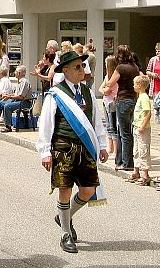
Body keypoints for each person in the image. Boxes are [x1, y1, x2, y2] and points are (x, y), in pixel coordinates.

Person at [36, 51, 108, 254]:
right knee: (65, 190)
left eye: (82, 66)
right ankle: (66, 234)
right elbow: (46, 124)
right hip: (63, 147)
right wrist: (44, 151)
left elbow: (95, 121)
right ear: (65, 71)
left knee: (88, 190)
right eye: (77, 67)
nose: (82, 70)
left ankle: (63, 216)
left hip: (85, 148)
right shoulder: (56, 94)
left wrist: (102, 145)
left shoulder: (87, 92)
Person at [102, 45, 140, 171]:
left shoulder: (120, 68)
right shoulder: (134, 67)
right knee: (123, 131)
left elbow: (110, 83)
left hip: (123, 100)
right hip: (133, 99)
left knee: (124, 133)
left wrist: (107, 80)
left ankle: (127, 162)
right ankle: (119, 160)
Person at [127, 75, 152, 185]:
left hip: (142, 128)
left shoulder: (144, 98)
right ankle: (136, 171)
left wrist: (143, 126)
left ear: (139, 85)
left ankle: (145, 174)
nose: (133, 86)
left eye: (135, 84)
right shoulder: (140, 97)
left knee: (143, 150)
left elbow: (148, 113)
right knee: (136, 150)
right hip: (136, 126)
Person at [0, 65, 32, 132]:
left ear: (19, 73)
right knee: (0, 103)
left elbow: (21, 96)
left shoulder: (24, 82)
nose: (14, 72)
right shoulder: (19, 82)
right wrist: (7, 95)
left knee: (7, 106)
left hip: (24, 103)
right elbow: (16, 94)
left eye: (16, 71)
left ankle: (8, 126)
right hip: (17, 101)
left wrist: (9, 97)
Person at [98, 55, 118, 156]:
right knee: (108, 126)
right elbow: (101, 89)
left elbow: (108, 89)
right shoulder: (107, 76)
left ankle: (116, 150)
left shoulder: (115, 76)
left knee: (113, 126)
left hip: (112, 103)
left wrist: (105, 90)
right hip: (105, 101)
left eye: (106, 64)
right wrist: (104, 90)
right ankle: (110, 147)